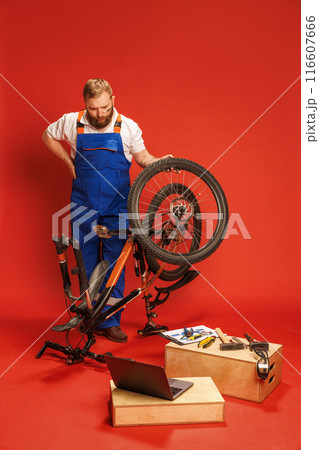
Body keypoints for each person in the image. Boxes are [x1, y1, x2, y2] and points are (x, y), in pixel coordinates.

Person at [42, 78, 172, 343]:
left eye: (103, 107)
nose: (99, 114)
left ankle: (110, 321)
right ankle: (90, 318)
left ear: (113, 99)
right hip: (83, 202)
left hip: (118, 204)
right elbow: (47, 136)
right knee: (85, 262)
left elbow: (143, 159)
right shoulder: (72, 121)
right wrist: (69, 163)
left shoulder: (128, 127)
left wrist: (161, 162)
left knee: (115, 263)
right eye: (93, 109)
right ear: (85, 105)